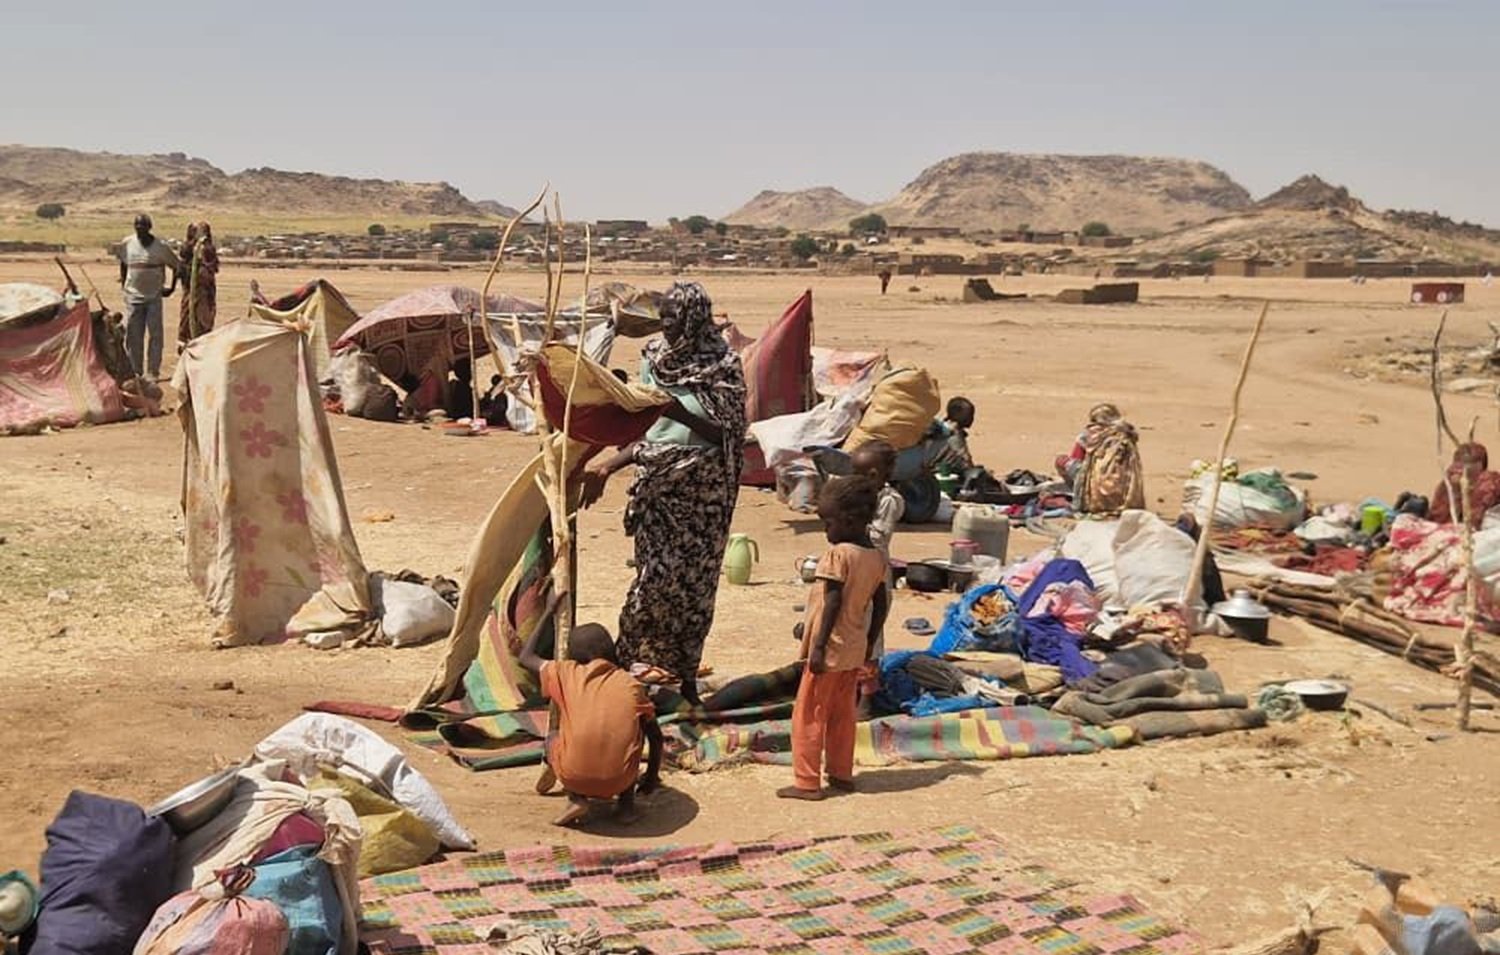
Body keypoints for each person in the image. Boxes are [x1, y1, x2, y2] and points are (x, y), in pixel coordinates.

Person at [580, 282, 747, 706]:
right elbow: (643, 429)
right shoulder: (654, 357)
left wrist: (670, 407)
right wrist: (607, 465)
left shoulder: (722, 365)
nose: (666, 324)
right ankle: (623, 675)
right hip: (659, 487)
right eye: (663, 315)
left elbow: (727, 434)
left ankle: (685, 680)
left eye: (674, 316)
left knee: (693, 589)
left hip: (704, 493)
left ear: (694, 317)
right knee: (651, 581)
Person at [779, 476, 889, 801]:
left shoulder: (837, 555)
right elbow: (879, 603)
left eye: (828, 522)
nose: (826, 530)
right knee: (843, 713)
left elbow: (832, 602)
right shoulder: (876, 556)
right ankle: (841, 773)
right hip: (855, 647)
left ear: (850, 520)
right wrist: (870, 641)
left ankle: (806, 782)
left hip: (830, 650)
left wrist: (818, 645)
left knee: (809, 712)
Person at [518, 622, 663, 827]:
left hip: (574, 775)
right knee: (634, 738)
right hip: (620, 779)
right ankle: (626, 808)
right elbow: (656, 738)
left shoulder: (565, 673)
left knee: (554, 737)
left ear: (576, 658)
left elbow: (525, 657)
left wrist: (549, 612)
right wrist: (650, 777)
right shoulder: (632, 686)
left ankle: (576, 799)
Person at [851, 440, 902, 662]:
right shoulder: (861, 496)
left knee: (873, 621)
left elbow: (879, 536)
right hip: (859, 567)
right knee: (856, 618)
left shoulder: (889, 501)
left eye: (857, 474)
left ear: (873, 475)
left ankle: (870, 672)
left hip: (875, 569)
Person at [117, 214, 181, 379]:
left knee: (155, 335)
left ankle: (153, 371)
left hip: (153, 297)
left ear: (149, 227)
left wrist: (171, 288)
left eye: (143, 225)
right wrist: (124, 285)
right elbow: (123, 264)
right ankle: (135, 371)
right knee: (133, 335)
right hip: (133, 298)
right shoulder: (127, 244)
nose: (139, 228)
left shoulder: (160, 247)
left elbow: (177, 266)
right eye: (137, 225)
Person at [1429, 443, 1500, 529]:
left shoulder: (1489, 483)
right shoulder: (1447, 483)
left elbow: (1474, 522)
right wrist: (1455, 492)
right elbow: (1436, 519)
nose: (1457, 470)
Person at [176, 221, 219, 348]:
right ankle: (184, 343)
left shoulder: (209, 249)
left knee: (204, 319)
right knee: (187, 316)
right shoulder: (186, 249)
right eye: (197, 231)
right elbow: (181, 268)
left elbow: (213, 267)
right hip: (191, 291)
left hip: (205, 293)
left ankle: (203, 342)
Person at [930, 396, 975, 473]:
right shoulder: (953, 435)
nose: (972, 419)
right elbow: (965, 462)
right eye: (970, 415)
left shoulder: (941, 427)